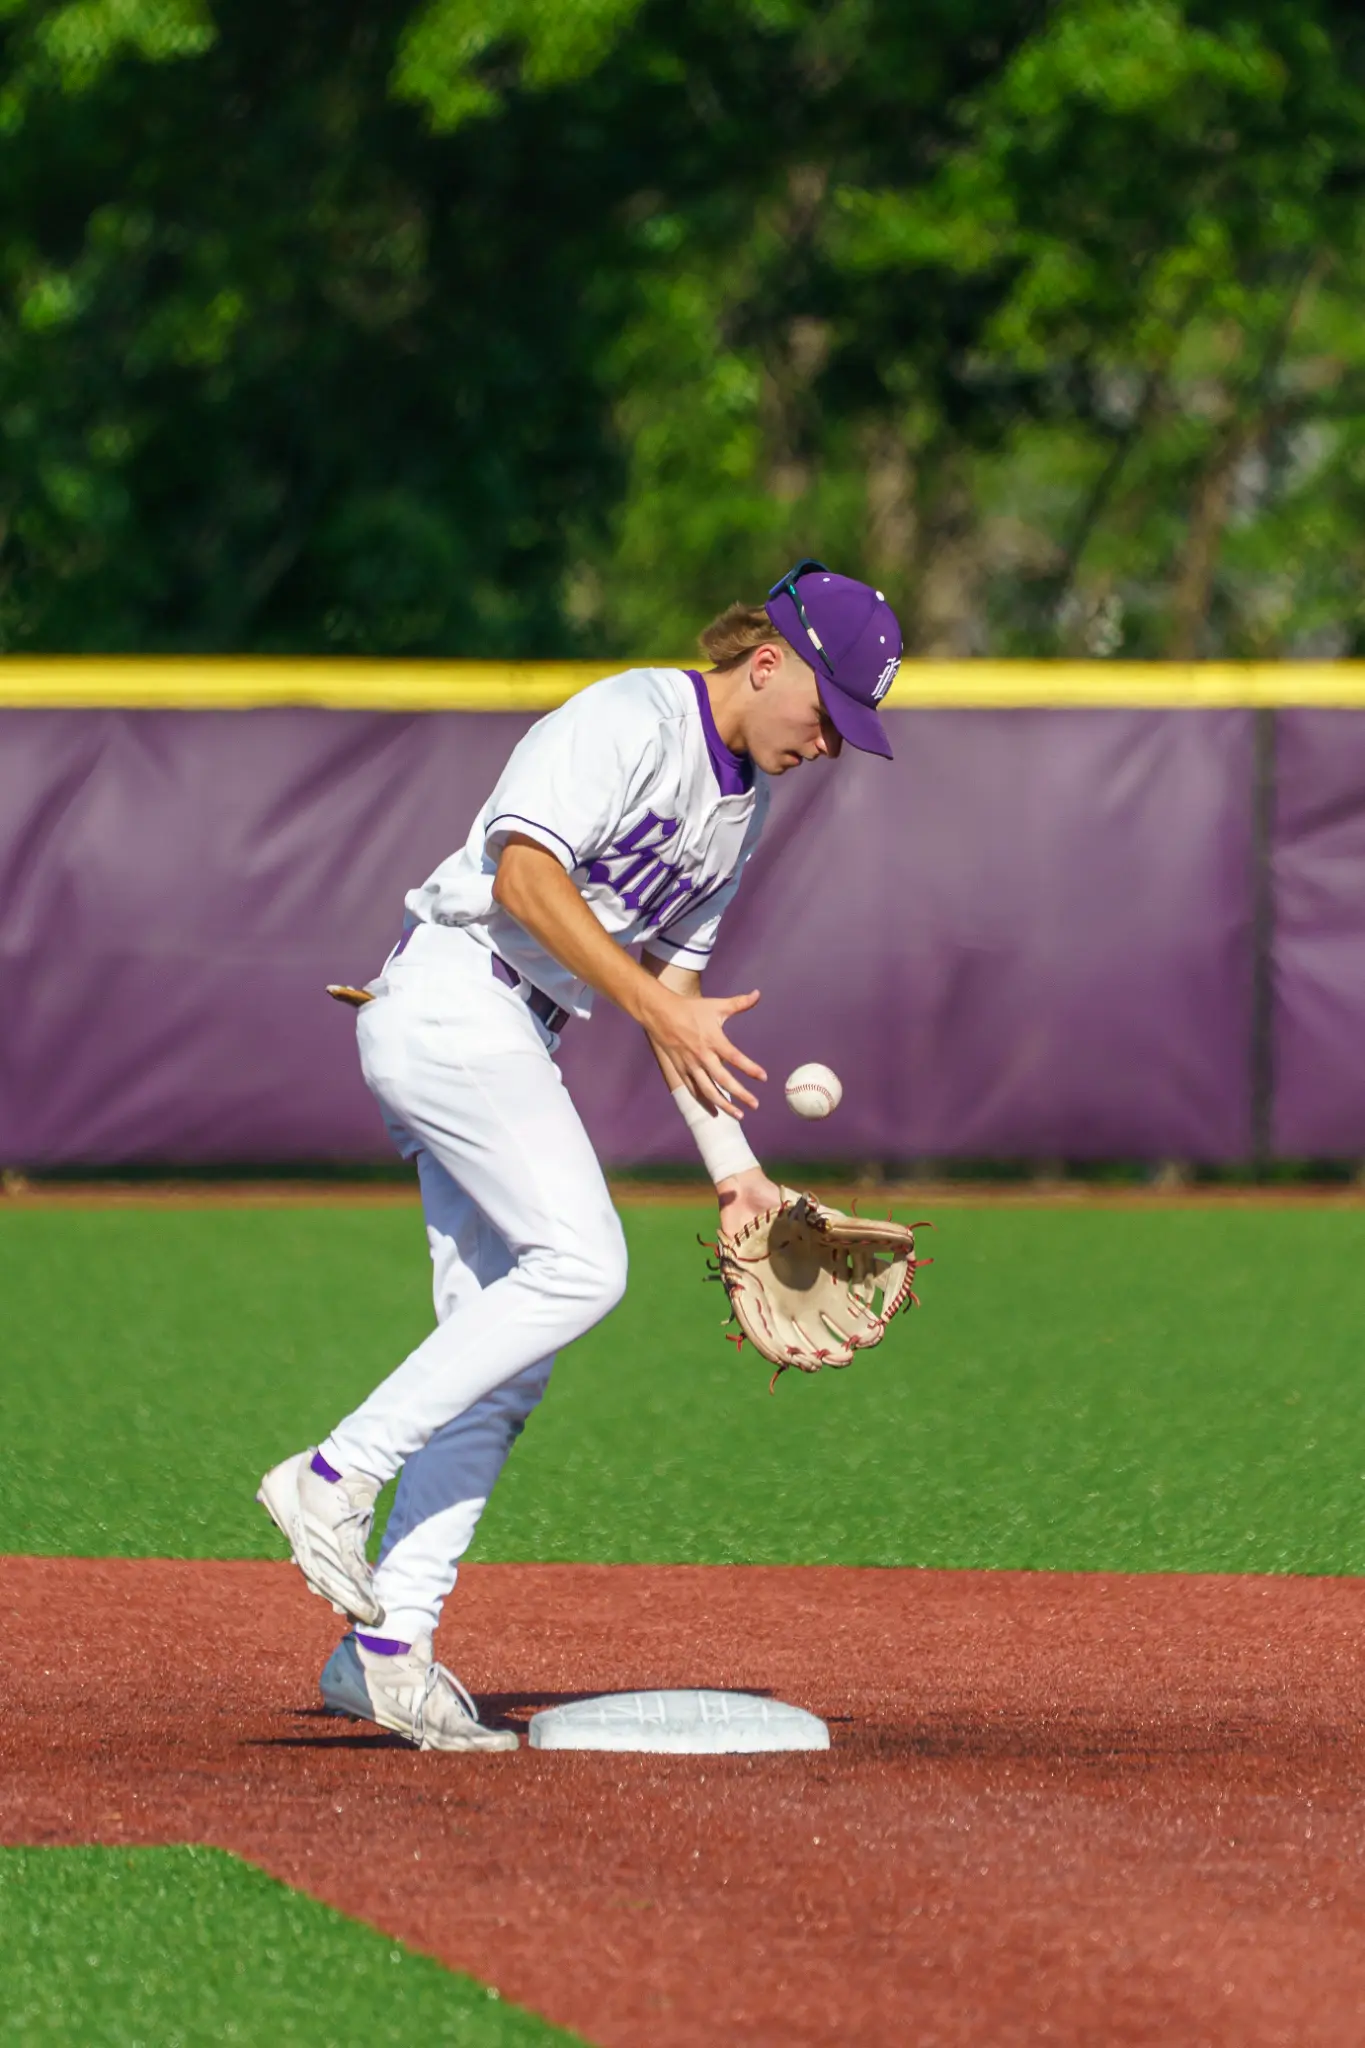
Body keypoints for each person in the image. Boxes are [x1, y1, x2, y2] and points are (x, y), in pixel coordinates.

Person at [258, 561, 903, 1751]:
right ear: (768, 662)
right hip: (454, 998)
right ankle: (332, 1476)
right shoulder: (628, 718)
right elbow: (523, 875)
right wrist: (659, 1011)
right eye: (827, 712)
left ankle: (389, 1647)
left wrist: (739, 1175)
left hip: (509, 1030)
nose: (829, 744)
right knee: (583, 1264)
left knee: (507, 1355)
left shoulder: (741, 809)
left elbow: (677, 995)